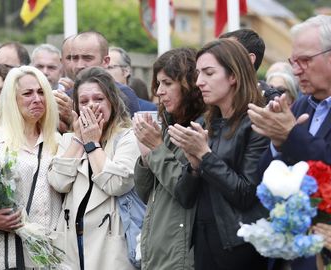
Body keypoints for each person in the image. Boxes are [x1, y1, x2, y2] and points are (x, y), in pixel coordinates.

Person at [170, 39, 269, 270]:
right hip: (204, 241)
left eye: (209, 73)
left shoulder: (257, 122)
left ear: (233, 76)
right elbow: (184, 197)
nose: (199, 82)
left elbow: (246, 193)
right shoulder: (205, 122)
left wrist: (205, 156)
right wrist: (194, 167)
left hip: (241, 245)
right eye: (198, 73)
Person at [248, 15, 331, 270]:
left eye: (305, 60)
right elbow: (262, 178)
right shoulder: (301, 104)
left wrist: (290, 135)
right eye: (292, 62)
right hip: (286, 255)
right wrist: (276, 142)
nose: (296, 70)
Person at [0, 66, 62, 269]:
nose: (37, 99)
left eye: (41, 92)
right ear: (12, 99)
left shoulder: (58, 142)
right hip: (8, 255)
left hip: (51, 253)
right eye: (27, 93)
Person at [49, 66, 139, 270]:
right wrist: (79, 140)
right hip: (72, 243)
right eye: (84, 101)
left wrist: (92, 144)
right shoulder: (69, 139)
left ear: (112, 102)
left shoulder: (127, 137)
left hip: (110, 245)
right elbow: (59, 182)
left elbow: (116, 184)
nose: (92, 106)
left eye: (98, 99)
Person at [133, 48, 205, 269]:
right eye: (158, 84)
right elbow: (146, 194)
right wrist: (146, 159)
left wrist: (156, 148)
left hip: (180, 252)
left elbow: (184, 190)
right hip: (158, 248)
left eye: (168, 83)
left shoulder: (200, 128)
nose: (160, 92)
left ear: (189, 85)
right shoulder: (169, 123)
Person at [70, 31, 155, 115]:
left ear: (106, 61)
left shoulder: (123, 94)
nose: (79, 65)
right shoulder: (66, 96)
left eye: (87, 58)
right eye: (75, 58)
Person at [220, 29, 282, 103]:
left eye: (227, 54)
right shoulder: (214, 96)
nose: (219, 59)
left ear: (249, 59)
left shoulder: (270, 102)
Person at [31, 43, 74, 133]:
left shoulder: (69, 96)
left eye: (51, 67)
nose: (45, 72)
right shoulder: (19, 95)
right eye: (40, 66)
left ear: (61, 70)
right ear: (30, 68)